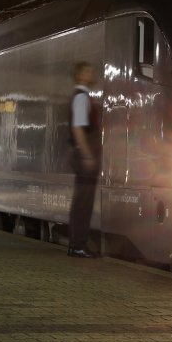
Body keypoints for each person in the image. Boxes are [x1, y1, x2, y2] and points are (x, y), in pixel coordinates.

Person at [67, 61, 101, 258]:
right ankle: (78, 245)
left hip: (82, 156)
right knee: (83, 203)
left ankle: (77, 244)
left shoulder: (82, 96)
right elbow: (78, 128)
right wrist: (88, 154)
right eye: (88, 71)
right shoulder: (81, 98)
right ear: (80, 76)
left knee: (82, 201)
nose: (92, 74)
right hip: (84, 157)